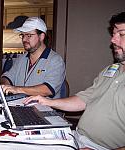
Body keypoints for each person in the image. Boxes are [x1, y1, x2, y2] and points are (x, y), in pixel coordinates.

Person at [24, 12, 125, 150]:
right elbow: (85, 99)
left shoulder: (55, 60)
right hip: (76, 137)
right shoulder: (111, 70)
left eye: (121, 34)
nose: (113, 40)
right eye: (113, 34)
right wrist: (48, 102)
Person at [1, 17, 65, 98]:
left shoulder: (55, 60)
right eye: (23, 35)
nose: (24, 39)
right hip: (19, 106)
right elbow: (7, 77)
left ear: (41, 37)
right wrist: (4, 86)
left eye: (29, 35)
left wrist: (17, 89)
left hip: (43, 108)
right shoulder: (21, 59)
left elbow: (48, 89)